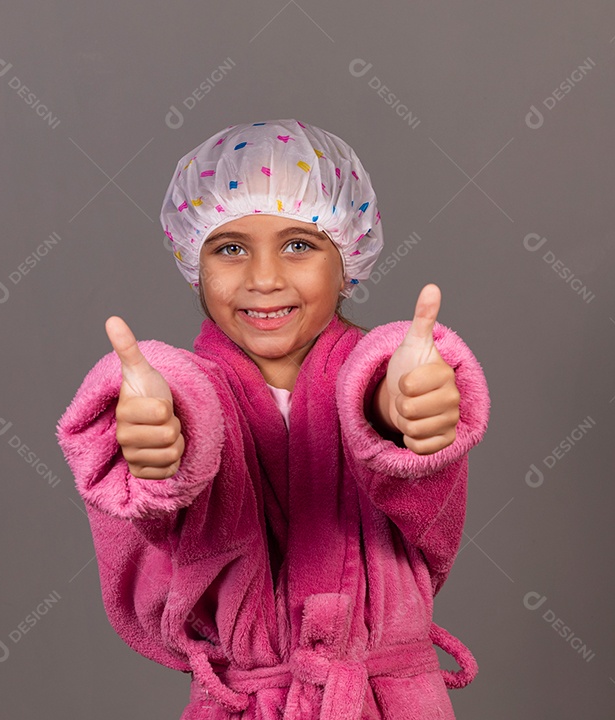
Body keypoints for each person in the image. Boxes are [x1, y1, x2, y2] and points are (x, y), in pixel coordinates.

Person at [55, 119, 491, 719]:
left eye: (299, 244)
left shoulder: (384, 378)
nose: (264, 279)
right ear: (194, 263)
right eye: (230, 248)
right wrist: (157, 458)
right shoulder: (181, 399)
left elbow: (386, 409)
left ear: (348, 259)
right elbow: (178, 440)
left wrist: (403, 414)